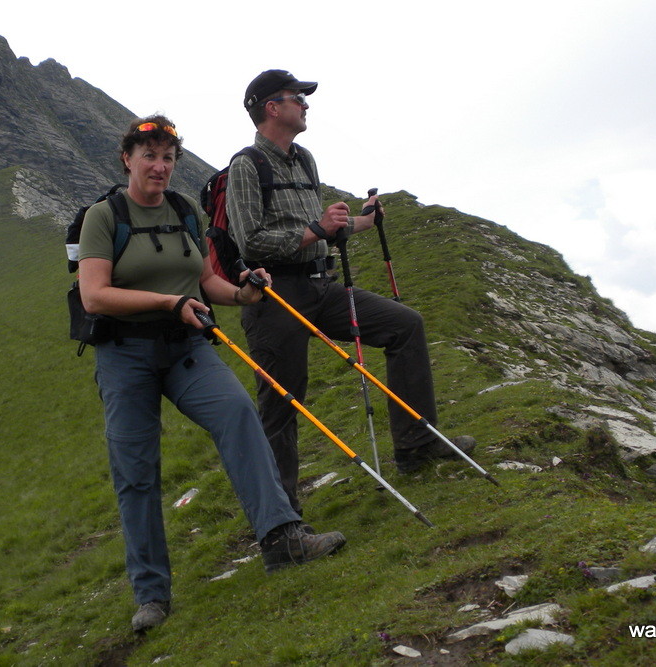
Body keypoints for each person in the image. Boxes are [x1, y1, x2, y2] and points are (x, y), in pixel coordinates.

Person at [78, 114, 346, 633]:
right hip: (125, 354)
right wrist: (168, 300)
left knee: (239, 413)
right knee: (136, 471)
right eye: (149, 156)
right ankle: (152, 596)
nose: (159, 166)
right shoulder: (103, 217)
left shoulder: (182, 211)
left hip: (185, 348)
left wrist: (245, 291)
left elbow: (206, 281)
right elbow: (95, 295)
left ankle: (282, 540)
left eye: (168, 158)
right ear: (127, 158)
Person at [226, 70, 476, 513]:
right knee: (283, 400)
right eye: (297, 97)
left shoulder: (304, 159)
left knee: (404, 325)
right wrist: (313, 230)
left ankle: (416, 445)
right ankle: (282, 518)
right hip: (275, 297)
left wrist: (360, 222)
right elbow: (248, 243)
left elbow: (323, 233)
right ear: (271, 107)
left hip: (321, 286)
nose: (305, 105)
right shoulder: (246, 165)